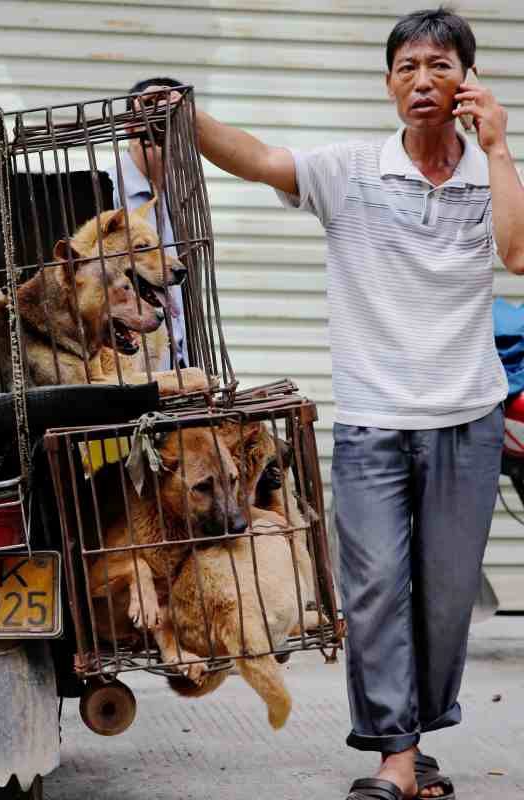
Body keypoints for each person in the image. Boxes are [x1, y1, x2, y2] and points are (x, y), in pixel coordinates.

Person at [191, 8, 524, 800]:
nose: (422, 82)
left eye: (440, 66)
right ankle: (395, 760)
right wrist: (185, 112)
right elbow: (264, 159)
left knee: (444, 598)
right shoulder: (351, 170)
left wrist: (501, 146)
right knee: (374, 590)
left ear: (467, 82)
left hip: (467, 422)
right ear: (387, 84)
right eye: (407, 67)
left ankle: (416, 737)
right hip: (375, 421)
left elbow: (518, 255)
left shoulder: (492, 178)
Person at [111, 77, 188, 369]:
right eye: (156, 117)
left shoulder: (186, 198)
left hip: (179, 364)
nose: (166, 131)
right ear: (131, 126)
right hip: (131, 369)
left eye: (174, 119)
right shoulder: (105, 189)